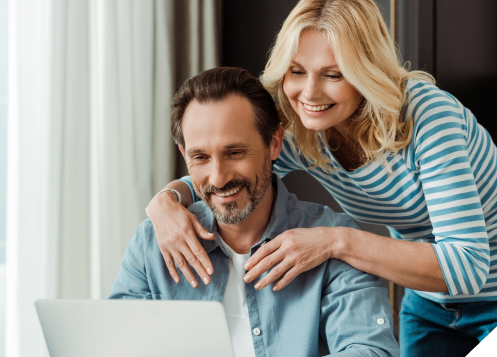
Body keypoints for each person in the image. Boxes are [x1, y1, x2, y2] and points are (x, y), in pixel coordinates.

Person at [145, 1, 497, 356]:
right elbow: (228, 176)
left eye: (333, 74)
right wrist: (165, 202)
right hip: (429, 303)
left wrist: (336, 241)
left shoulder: (428, 118)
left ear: (366, 71)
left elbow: (467, 267)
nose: (309, 93)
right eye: (296, 71)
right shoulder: (302, 132)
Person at [110, 67, 399, 357]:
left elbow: (370, 351)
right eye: (200, 157)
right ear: (185, 155)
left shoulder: (333, 243)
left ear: (273, 144)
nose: (218, 178)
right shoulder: (153, 242)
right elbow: (114, 344)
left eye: (235, 153)